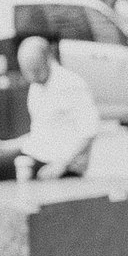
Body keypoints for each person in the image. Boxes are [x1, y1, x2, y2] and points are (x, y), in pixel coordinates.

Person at [5, 36, 98, 180]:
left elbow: (89, 131)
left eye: (35, 71)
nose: (32, 77)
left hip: (61, 162)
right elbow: (40, 134)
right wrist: (6, 146)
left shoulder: (71, 85)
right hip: (38, 154)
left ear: (48, 59)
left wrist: (61, 164)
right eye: (27, 72)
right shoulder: (36, 86)